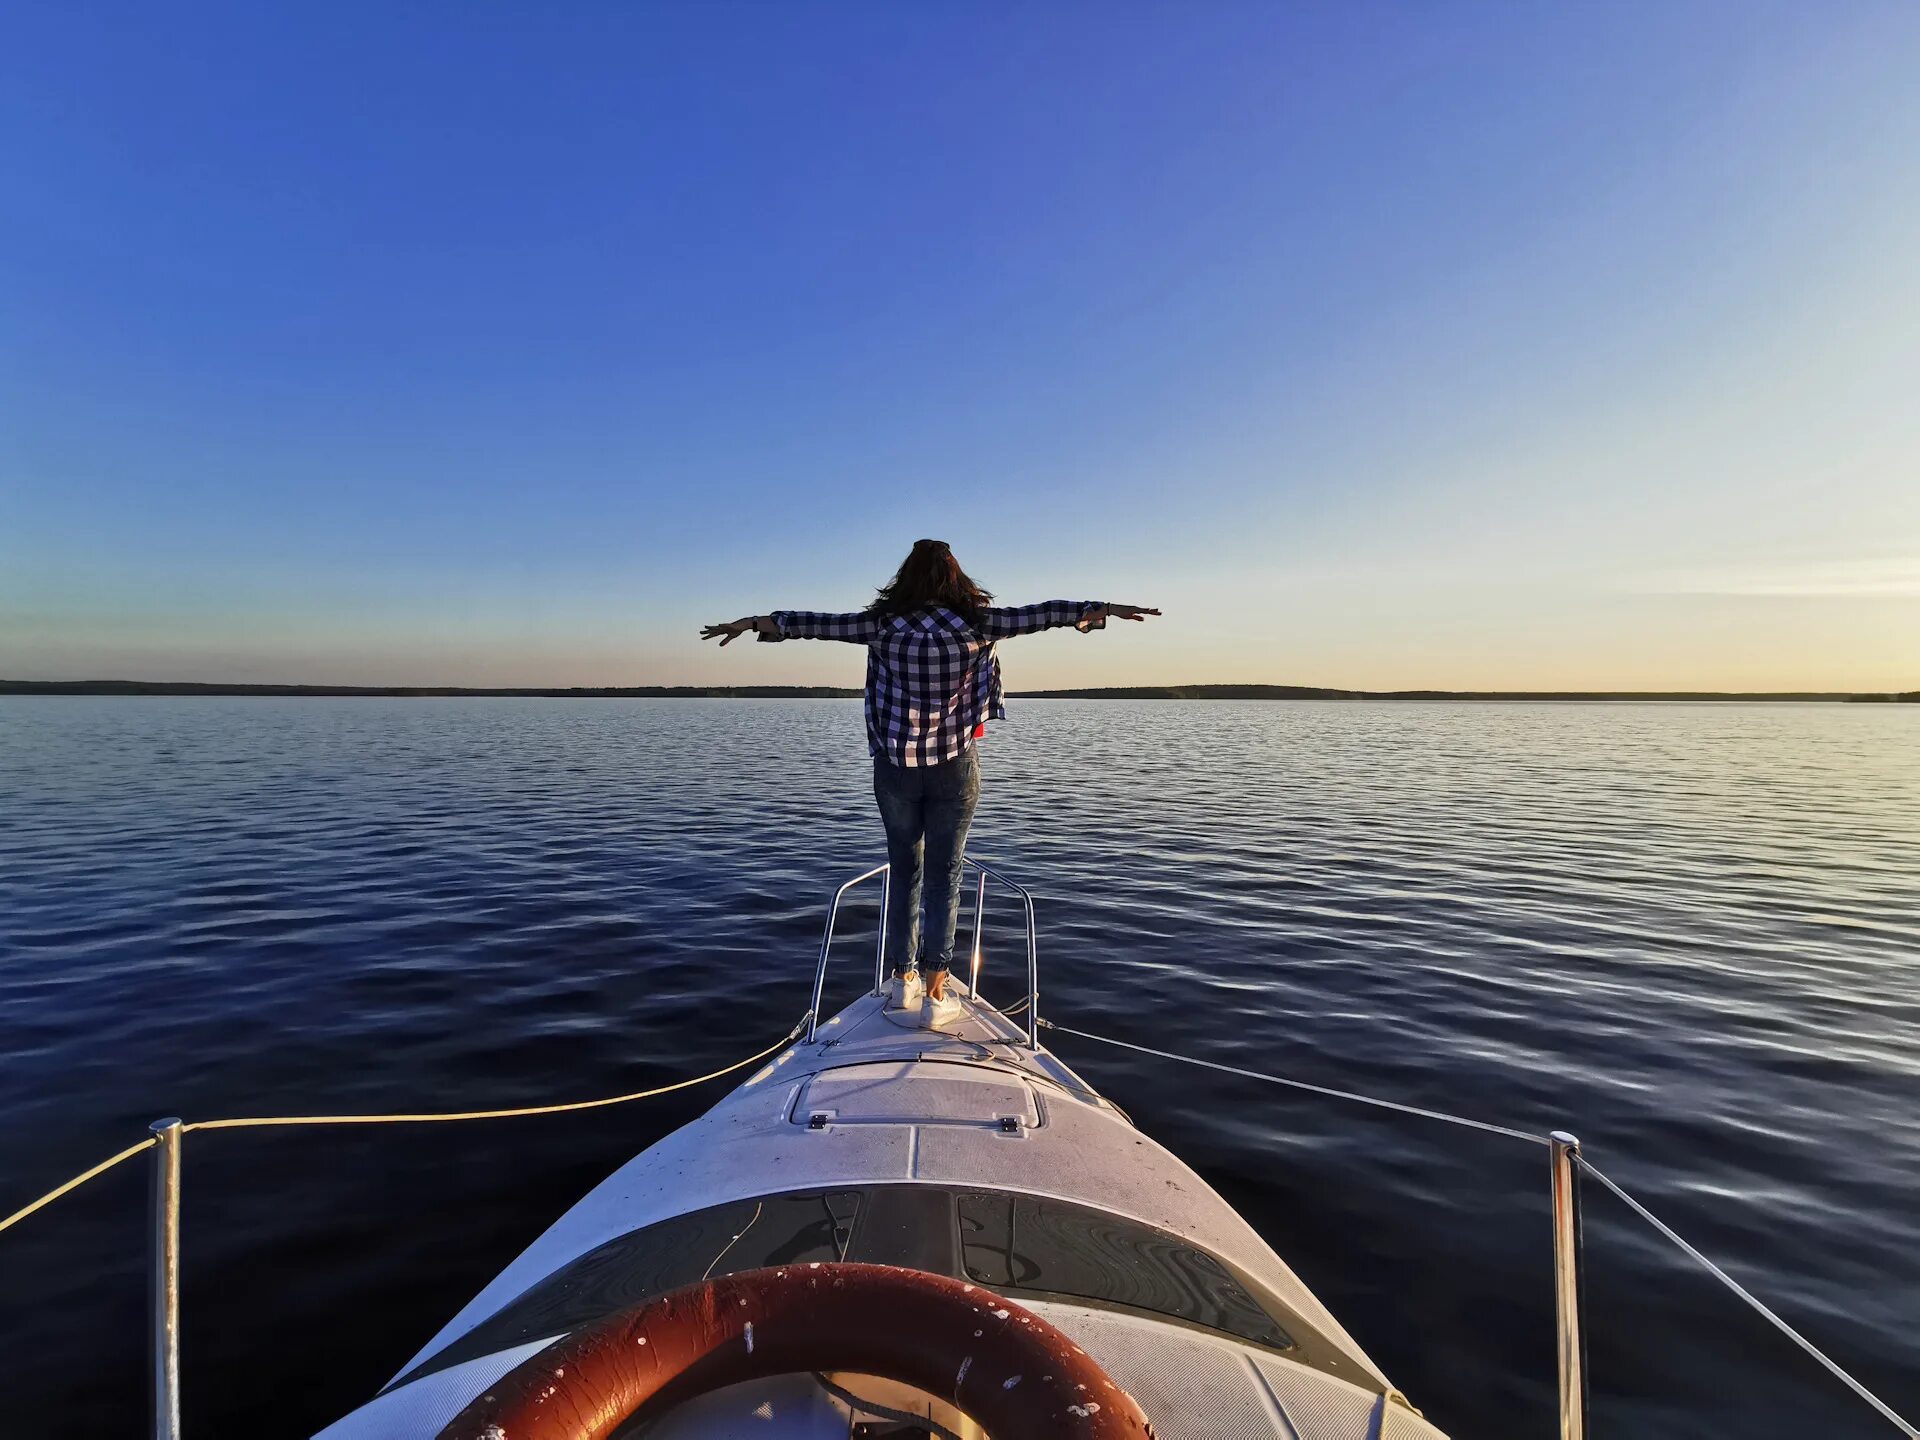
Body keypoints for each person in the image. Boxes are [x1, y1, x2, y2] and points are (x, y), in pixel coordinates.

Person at [702, 539, 1158, 1029]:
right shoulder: (980, 624)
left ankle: (902, 983)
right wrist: (1102, 609)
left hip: (895, 767)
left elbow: (809, 623)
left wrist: (750, 624)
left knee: (905, 872)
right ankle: (936, 993)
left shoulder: (879, 626)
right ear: (957, 580)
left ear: (905, 579)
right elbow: (1046, 613)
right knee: (946, 876)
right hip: (955, 765)